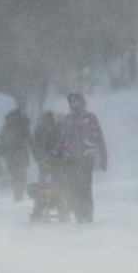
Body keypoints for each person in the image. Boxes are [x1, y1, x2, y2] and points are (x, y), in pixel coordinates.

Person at [57, 92, 108, 223]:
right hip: (71, 159)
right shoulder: (67, 119)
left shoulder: (90, 118)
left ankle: (88, 215)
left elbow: (99, 138)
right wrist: (59, 154)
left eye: (75, 101)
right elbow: (62, 139)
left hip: (86, 158)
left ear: (81, 102)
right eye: (71, 101)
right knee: (73, 188)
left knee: (85, 187)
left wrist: (103, 158)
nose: (73, 104)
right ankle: (79, 215)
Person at [31, 110, 66, 221]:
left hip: (44, 162)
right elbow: (63, 142)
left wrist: (40, 157)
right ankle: (62, 210)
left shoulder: (39, 129)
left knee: (43, 187)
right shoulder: (57, 129)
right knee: (57, 186)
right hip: (56, 162)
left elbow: (35, 146)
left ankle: (38, 210)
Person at [0, 105, 34, 201]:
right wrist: (35, 153)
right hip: (22, 154)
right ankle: (20, 192)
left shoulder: (7, 125)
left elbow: (2, 139)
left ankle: (17, 192)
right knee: (21, 174)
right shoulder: (23, 125)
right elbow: (30, 140)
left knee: (14, 174)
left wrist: (1, 151)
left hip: (10, 155)